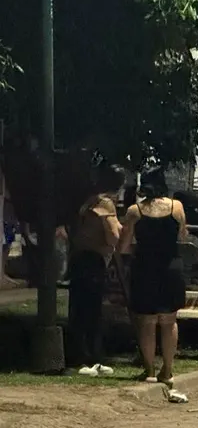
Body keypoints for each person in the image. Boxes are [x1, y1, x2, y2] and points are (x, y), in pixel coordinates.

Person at [117, 167, 187, 385]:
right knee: (169, 321)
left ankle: (149, 371)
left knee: (147, 322)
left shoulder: (134, 211)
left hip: (145, 267)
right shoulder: (177, 207)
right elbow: (183, 236)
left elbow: (124, 246)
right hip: (171, 268)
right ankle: (168, 370)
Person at [65, 165, 125, 376]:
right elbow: (113, 234)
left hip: (80, 258)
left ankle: (88, 357)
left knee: (81, 308)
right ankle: (86, 359)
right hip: (93, 260)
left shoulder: (90, 199)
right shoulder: (105, 203)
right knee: (90, 310)